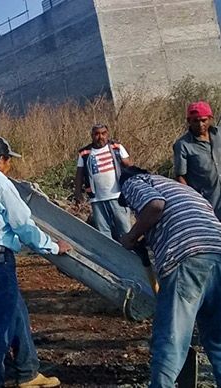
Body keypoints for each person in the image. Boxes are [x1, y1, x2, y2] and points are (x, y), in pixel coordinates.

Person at [0, 136, 71, 388]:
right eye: (8, 160)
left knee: (16, 313)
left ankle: (28, 372)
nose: (9, 166)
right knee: (1, 326)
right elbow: (23, 226)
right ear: (0, 160)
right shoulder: (0, 184)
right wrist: (53, 246)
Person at [118, 166, 221, 388]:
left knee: (171, 340)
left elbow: (155, 206)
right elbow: (181, 218)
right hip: (217, 251)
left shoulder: (134, 182)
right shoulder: (186, 191)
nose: (131, 209)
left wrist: (131, 236)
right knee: (218, 342)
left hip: (188, 259)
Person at [73, 124, 132, 240]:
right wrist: (78, 193)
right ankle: (110, 256)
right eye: (97, 134)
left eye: (103, 133)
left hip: (118, 196)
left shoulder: (116, 147)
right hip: (97, 199)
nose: (100, 137)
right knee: (103, 232)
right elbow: (79, 174)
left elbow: (129, 166)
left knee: (125, 229)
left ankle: (132, 256)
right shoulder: (85, 153)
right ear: (92, 136)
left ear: (107, 134)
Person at [173, 101, 221, 219]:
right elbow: (180, 176)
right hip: (207, 203)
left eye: (203, 120)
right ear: (189, 121)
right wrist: (192, 202)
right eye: (195, 121)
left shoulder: (219, 134)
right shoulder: (183, 145)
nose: (200, 124)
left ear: (210, 119)